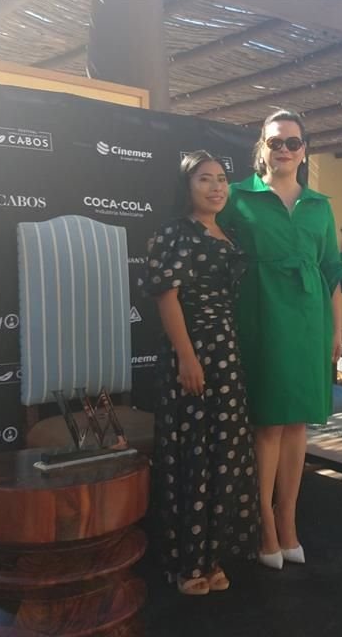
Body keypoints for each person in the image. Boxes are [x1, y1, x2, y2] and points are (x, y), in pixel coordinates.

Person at [219, 110, 342, 570]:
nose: (284, 150)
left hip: (309, 319)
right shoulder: (237, 195)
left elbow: (331, 272)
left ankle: (289, 521)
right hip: (259, 315)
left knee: (297, 422)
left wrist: (335, 330)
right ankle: (264, 525)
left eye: (293, 142)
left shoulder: (320, 204)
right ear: (262, 145)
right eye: (275, 141)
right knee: (268, 424)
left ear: (304, 149)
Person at [142, 151, 259, 595]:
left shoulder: (226, 233)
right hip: (191, 351)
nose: (216, 187)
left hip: (226, 350)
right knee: (193, 455)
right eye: (205, 179)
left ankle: (211, 555)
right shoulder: (175, 232)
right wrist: (187, 358)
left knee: (223, 454)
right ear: (186, 187)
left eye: (222, 179)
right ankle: (188, 564)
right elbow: (166, 298)